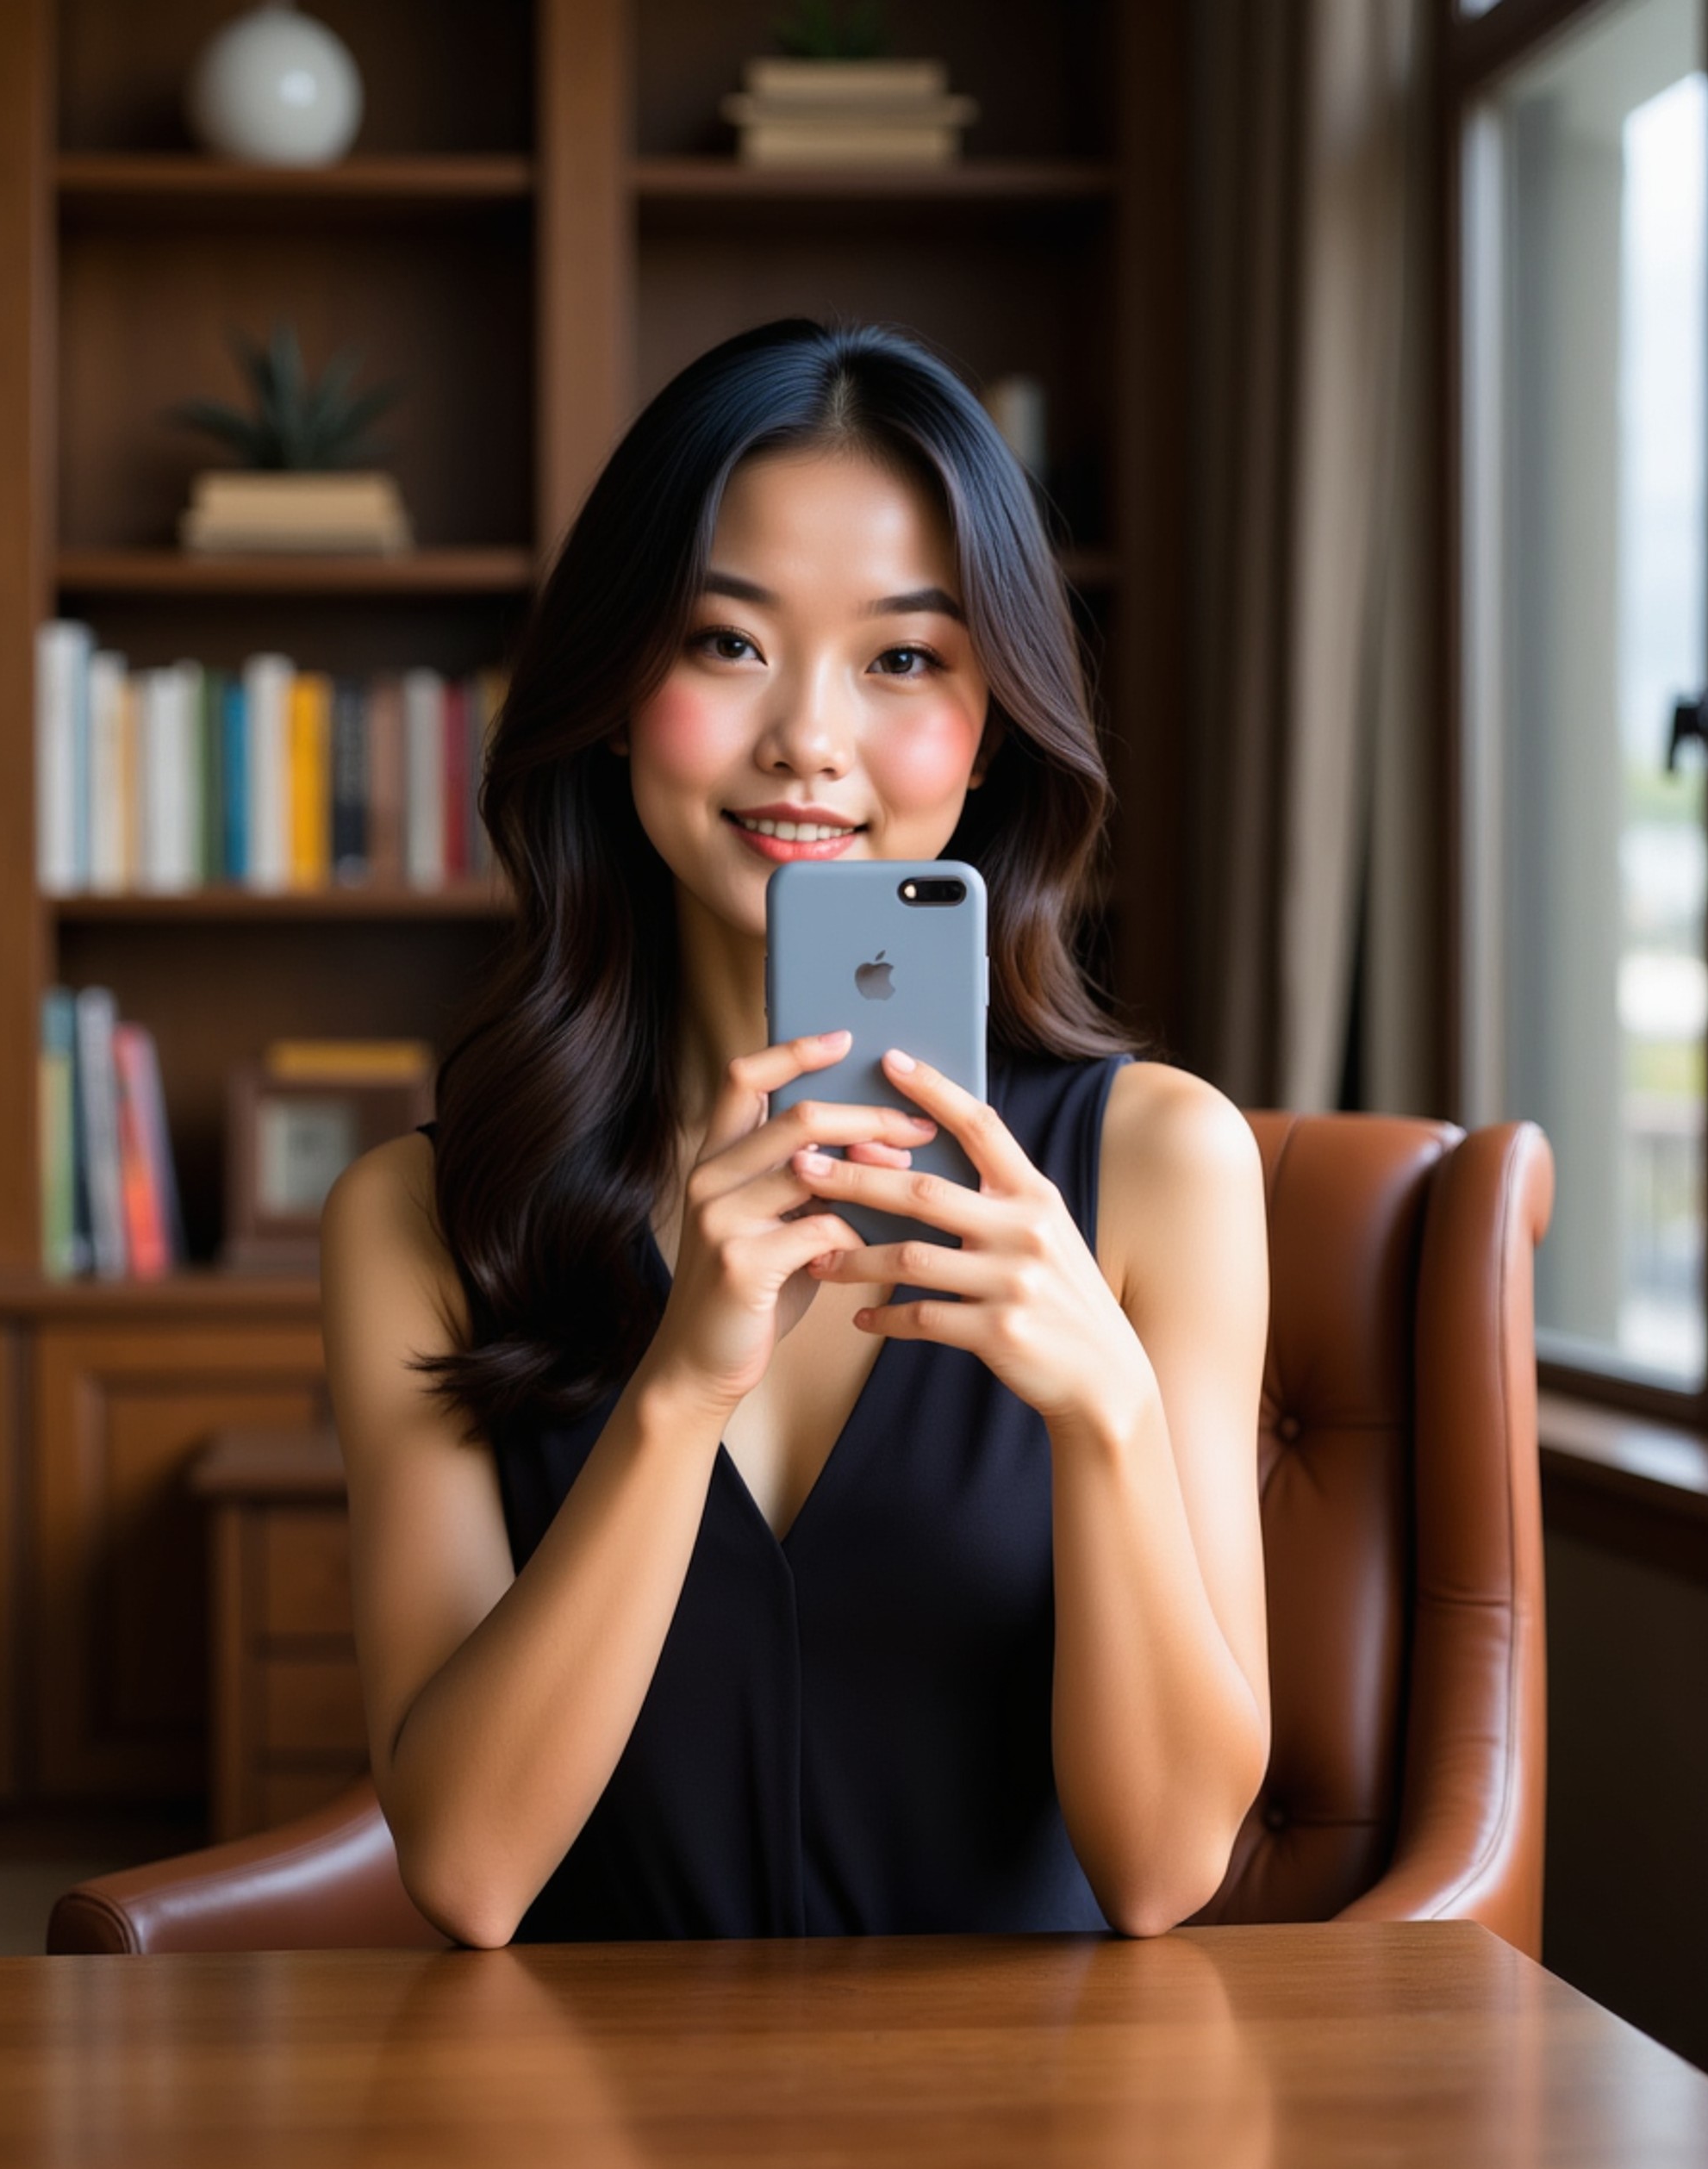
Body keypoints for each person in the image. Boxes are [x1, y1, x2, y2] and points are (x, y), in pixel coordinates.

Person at [320, 318, 1270, 1949]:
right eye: (725, 643)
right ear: (619, 693)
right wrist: (678, 1391)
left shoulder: (1164, 1169)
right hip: (590, 2163)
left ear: (986, 733)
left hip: (1036, 2157)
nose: (809, 742)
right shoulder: (419, 1220)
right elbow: (469, 1876)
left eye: (904, 660)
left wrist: (1105, 1409)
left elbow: (1168, 1868)